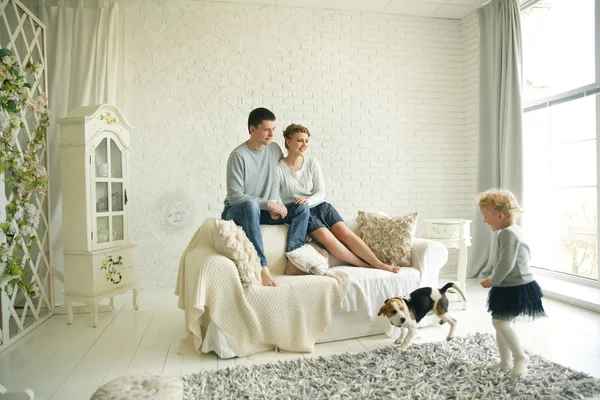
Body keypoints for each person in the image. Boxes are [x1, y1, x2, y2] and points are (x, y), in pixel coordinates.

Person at [270, 123, 399, 275]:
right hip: (303, 213)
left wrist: (308, 200)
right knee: (327, 237)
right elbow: (273, 197)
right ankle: (363, 265)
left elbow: (320, 192)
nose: (304, 145)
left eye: (306, 141)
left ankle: (378, 263)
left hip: (320, 206)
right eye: (299, 140)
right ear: (288, 141)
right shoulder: (278, 169)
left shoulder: (312, 163)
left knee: (345, 233)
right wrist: (277, 208)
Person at [222, 108, 310, 287]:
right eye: (266, 129)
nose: (271, 134)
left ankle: (294, 260)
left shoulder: (274, 150)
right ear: (252, 130)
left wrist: (276, 204)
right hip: (236, 210)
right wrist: (268, 205)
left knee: (301, 207)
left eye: (273, 129)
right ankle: (262, 268)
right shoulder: (238, 156)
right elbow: (235, 196)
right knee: (250, 205)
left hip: (262, 209)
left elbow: (274, 182)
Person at [478, 188, 546, 379]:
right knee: (500, 322)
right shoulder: (512, 231)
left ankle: (520, 357)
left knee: (499, 322)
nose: (484, 221)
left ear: (499, 215)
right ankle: (505, 361)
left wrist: (493, 280)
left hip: (515, 287)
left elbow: (505, 263)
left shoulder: (507, 234)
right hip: (508, 285)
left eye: (485, 217)